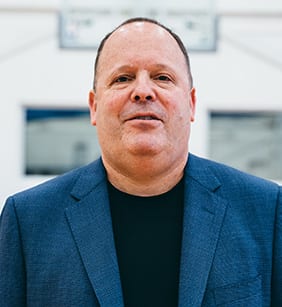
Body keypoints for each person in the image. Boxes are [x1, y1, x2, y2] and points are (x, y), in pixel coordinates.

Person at [0, 17, 281, 307]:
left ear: (191, 103)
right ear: (94, 107)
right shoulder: (28, 221)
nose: (143, 91)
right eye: (122, 78)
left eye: (162, 77)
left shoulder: (265, 211)